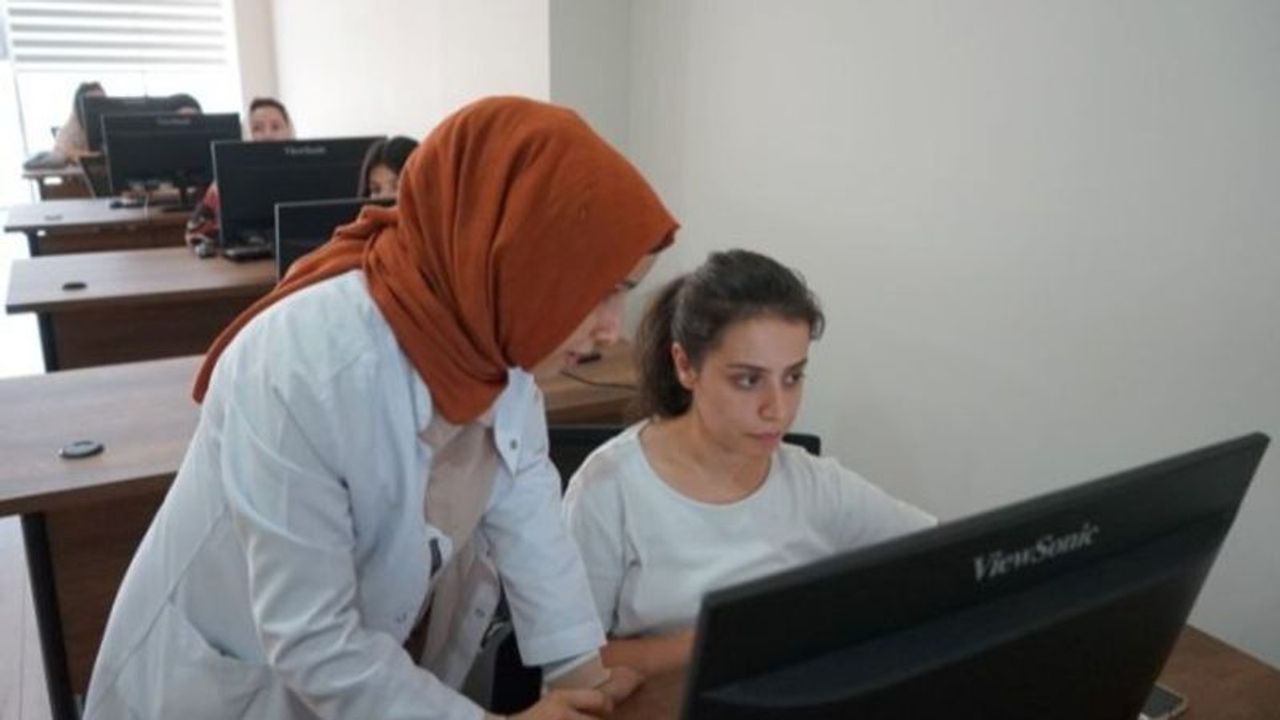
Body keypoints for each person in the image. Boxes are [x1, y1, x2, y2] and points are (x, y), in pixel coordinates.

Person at [85, 97, 678, 719]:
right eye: (603, 291)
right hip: (214, 693)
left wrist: (584, 681)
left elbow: (535, 534)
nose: (613, 329)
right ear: (522, 257)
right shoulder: (303, 368)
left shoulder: (495, 350)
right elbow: (314, 639)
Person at [563, 249, 936, 676]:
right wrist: (735, 639)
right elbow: (572, 666)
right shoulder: (607, 489)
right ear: (686, 366)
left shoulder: (815, 485)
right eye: (748, 380)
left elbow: (943, 559)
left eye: (792, 377)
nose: (777, 409)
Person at [185, 96, 296, 251]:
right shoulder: (225, 180)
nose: (268, 135)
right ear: (247, 135)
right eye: (257, 129)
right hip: (250, 257)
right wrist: (232, 238)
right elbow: (194, 232)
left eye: (276, 127)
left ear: (289, 131)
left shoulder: (309, 171)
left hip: (305, 257)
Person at [51, 81, 105, 160]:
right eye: (93, 102)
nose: (98, 107)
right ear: (79, 106)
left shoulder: (107, 123)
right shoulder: (71, 127)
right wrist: (95, 155)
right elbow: (61, 152)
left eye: (102, 101)